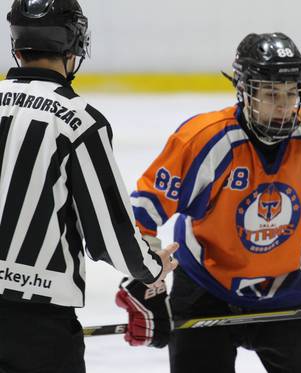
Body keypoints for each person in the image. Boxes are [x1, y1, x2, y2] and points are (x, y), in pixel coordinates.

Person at [117, 32, 301, 373]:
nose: (284, 104)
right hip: (204, 293)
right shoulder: (205, 140)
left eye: (292, 92)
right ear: (245, 91)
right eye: (270, 93)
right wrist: (144, 283)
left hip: (280, 293)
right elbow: (142, 212)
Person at [0, 1, 178, 372]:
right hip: (36, 324)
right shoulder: (80, 121)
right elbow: (108, 234)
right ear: (74, 43)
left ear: (16, 42)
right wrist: (149, 269)